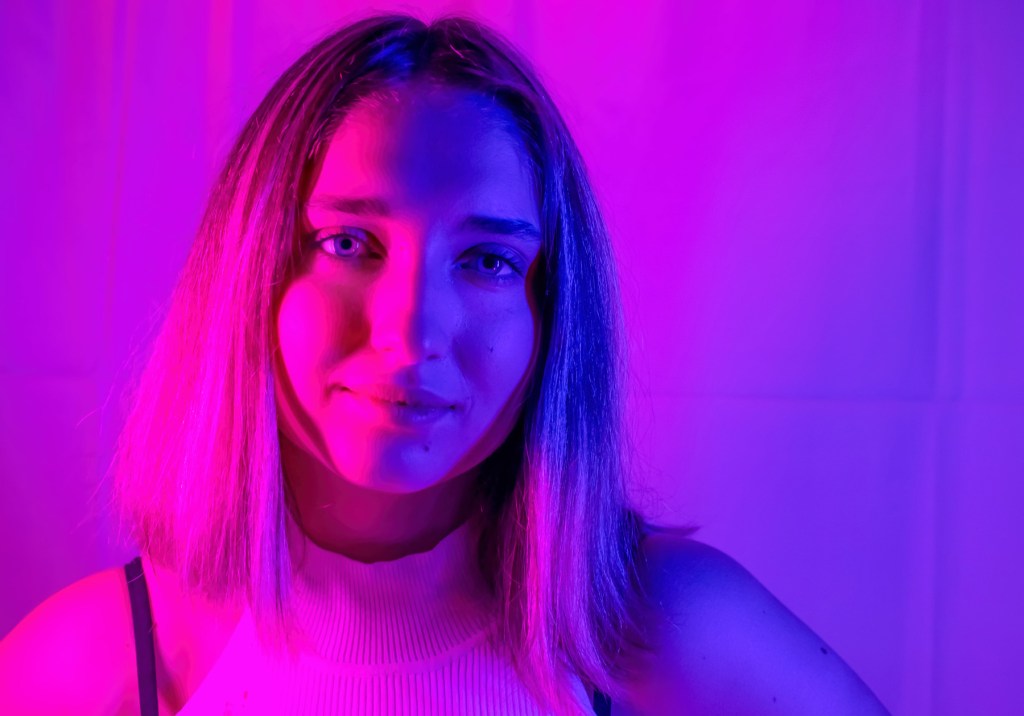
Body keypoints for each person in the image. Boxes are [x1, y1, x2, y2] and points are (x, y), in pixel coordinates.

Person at [0, 13, 890, 715]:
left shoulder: (663, 630)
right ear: (249, 275)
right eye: (348, 243)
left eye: (488, 260)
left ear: (552, 313)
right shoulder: (98, 661)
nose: (412, 330)